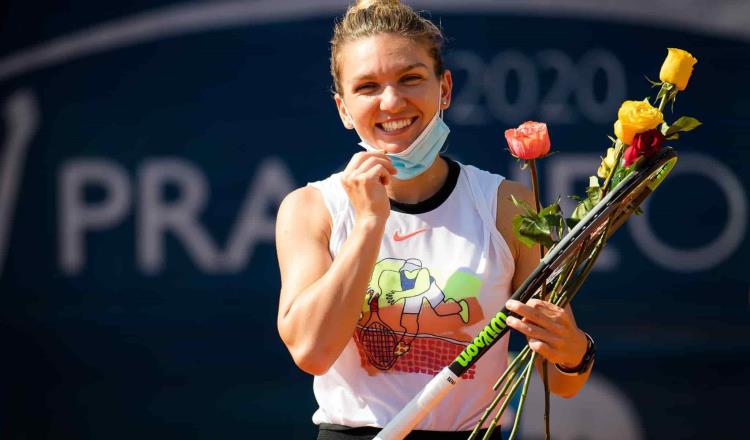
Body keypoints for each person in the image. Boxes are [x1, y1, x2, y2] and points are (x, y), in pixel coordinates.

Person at [276, 1, 594, 438]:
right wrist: (369, 225)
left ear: (444, 89)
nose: (391, 101)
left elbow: (561, 382)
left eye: (410, 79)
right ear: (343, 109)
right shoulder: (311, 208)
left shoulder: (506, 205)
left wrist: (574, 351)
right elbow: (311, 351)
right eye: (367, 87)